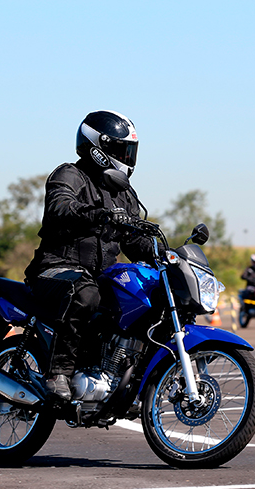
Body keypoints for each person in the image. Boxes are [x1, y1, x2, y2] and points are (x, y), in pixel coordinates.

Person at [24, 110, 159, 401]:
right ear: (99, 148)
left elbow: (134, 242)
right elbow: (60, 208)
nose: (128, 157)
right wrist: (98, 215)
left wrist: (164, 253)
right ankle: (59, 372)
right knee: (85, 294)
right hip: (55, 269)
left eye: (130, 150)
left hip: (98, 275)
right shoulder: (69, 174)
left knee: (139, 296)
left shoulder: (123, 193)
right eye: (122, 149)